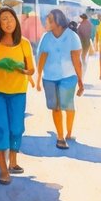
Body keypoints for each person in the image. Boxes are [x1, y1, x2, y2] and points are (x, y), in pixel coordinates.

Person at [0, 8, 33, 184]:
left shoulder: (24, 43)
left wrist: (21, 70)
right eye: (4, 19)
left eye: (11, 18)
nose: (8, 22)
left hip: (18, 91)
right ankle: (3, 170)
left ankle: (14, 161)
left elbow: (31, 69)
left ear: (16, 21)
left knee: (17, 128)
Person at [35, 8, 85, 148]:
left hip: (68, 77)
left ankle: (69, 132)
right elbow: (42, 58)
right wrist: (38, 78)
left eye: (50, 19)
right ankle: (60, 136)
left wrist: (81, 81)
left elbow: (77, 60)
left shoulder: (72, 36)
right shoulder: (46, 37)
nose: (47, 21)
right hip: (49, 78)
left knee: (68, 106)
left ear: (57, 21)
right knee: (55, 108)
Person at [76, 14, 94, 80]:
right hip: (87, 42)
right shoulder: (89, 24)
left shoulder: (81, 25)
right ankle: (84, 68)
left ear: (82, 18)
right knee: (84, 56)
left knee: (81, 56)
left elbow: (79, 33)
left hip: (82, 42)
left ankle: (82, 70)